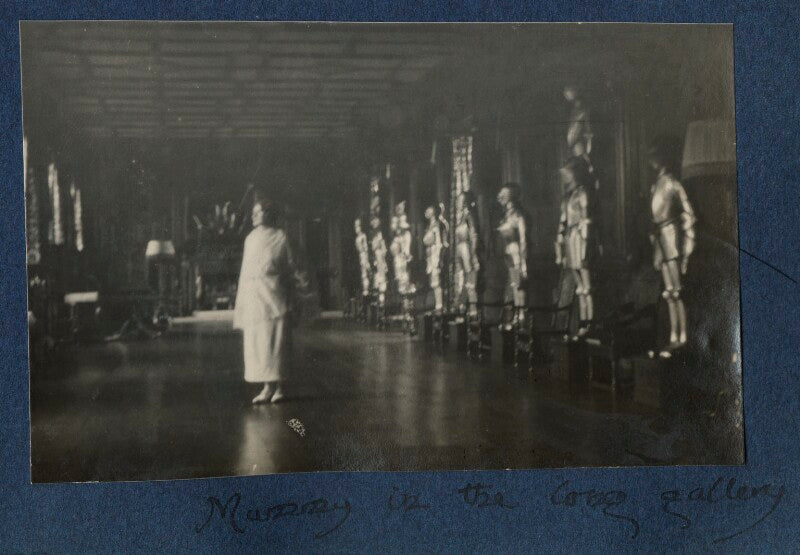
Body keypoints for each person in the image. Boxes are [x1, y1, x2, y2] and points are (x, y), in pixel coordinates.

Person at [233, 198, 301, 404]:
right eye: (253, 212)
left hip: (275, 295)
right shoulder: (250, 239)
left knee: (276, 342)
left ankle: (280, 386)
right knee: (259, 343)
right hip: (255, 298)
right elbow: (245, 272)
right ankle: (266, 386)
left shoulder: (281, 236)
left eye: (258, 211)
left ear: (269, 214)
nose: (253, 215)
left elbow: (292, 265)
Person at [647, 136, 696, 357]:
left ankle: (682, 337)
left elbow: (688, 214)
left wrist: (687, 246)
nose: (653, 162)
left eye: (656, 158)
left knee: (677, 292)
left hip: (672, 237)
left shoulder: (674, 184)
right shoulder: (656, 184)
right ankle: (673, 337)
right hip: (660, 238)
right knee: (669, 293)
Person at [555, 156, 594, 338]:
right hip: (571, 238)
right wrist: (560, 250)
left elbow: (586, 220)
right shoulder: (568, 197)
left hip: (580, 238)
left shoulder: (582, 193)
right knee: (579, 286)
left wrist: (585, 247)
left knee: (586, 286)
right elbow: (562, 224)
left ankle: (589, 323)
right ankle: (582, 325)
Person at [496, 183, 528, 328]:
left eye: (504, 194)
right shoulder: (506, 215)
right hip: (508, 251)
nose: (500, 197)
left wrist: (524, 260)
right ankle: (516, 313)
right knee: (514, 284)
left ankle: (521, 315)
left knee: (518, 284)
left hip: (516, 251)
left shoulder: (518, 215)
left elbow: (523, 238)